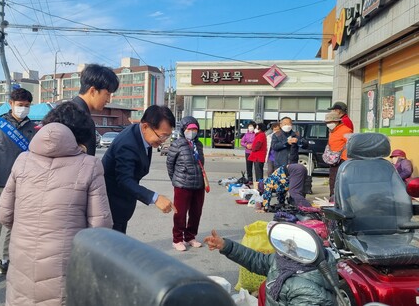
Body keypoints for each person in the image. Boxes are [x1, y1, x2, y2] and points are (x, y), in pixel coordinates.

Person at [0, 101, 112, 306]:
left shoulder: (23, 160)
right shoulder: (90, 165)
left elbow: (3, 214)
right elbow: (100, 228)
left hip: (22, 258)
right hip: (65, 265)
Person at [0, 89, 37, 287]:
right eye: (20, 104)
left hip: (24, 185)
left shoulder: (32, 127)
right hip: (0, 183)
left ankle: (7, 260)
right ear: (11, 103)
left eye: (27, 104)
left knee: (15, 226)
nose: (23, 108)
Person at [203, 229, 336, 306]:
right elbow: (256, 260)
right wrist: (227, 246)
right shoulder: (285, 262)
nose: (286, 248)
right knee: (263, 287)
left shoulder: (309, 292)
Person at [102, 105, 177, 234]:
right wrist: (155, 198)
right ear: (145, 127)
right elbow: (125, 180)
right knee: (112, 248)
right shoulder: (127, 144)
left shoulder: (141, 136)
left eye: (167, 137)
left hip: (122, 203)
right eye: (162, 136)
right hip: (112, 206)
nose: (163, 141)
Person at [166, 117, 207, 252]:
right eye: (189, 129)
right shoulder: (177, 144)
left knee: (196, 213)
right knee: (180, 213)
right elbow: (170, 164)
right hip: (182, 184)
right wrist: (175, 179)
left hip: (198, 184)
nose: (192, 131)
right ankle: (177, 239)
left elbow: (201, 163)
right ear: (184, 130)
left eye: (194, 129)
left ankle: (190, 236)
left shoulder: (199, 145)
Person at [72, 64, 120, 156]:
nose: (108, 100)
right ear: (93, 91)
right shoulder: (82, 119)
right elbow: (85, 163)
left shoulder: (66, 111)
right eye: (107, 94)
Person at [325, 111, 352, 197]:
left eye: (330, 122)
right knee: (332, 180)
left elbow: (350, 145)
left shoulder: (346, 130)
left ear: (337, 121)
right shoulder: (332, 131)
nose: (328, 124)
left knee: (340, 180)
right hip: (334, 159)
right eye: (327, 122)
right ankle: (332, 197)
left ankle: (339, 198)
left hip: (343, 159)